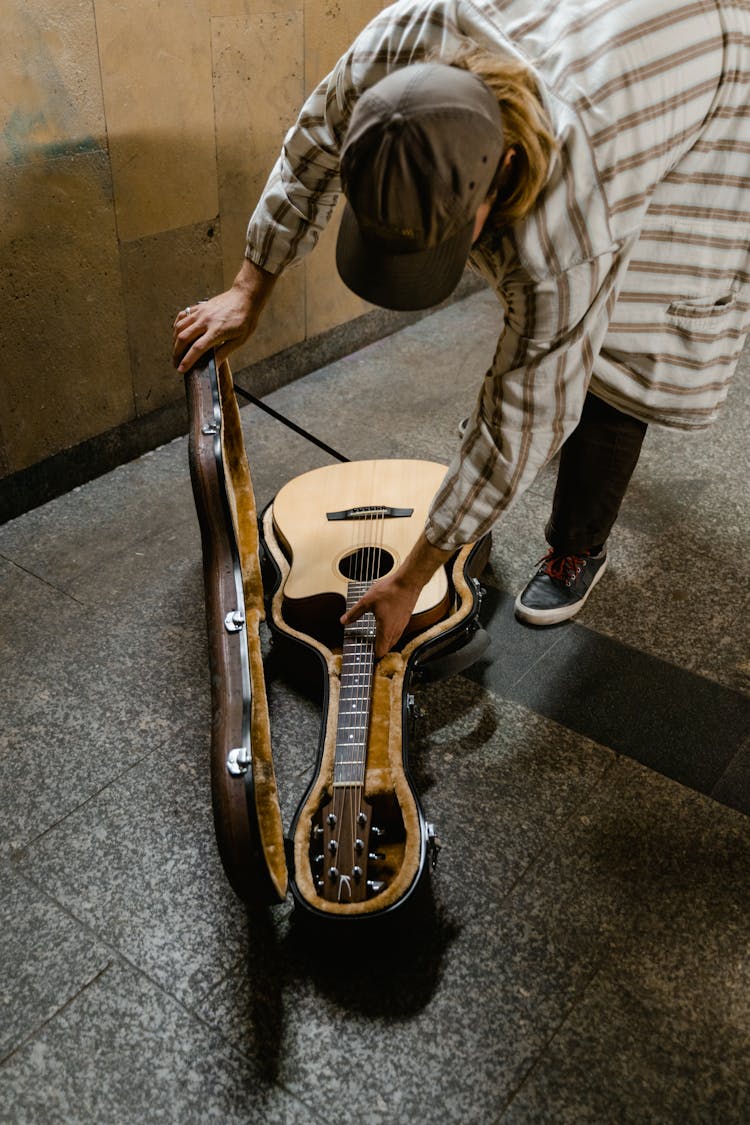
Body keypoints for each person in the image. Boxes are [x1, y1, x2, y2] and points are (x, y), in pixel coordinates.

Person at [173, 0, 750, 659]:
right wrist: (250, 286)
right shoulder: (401, 44)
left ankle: (578, 544)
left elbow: (522, 413)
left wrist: (411, 578)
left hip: (704, 60)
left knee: (615, 346)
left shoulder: (573, 224)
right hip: (593, 32)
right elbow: (311, 147)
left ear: (502, 170)